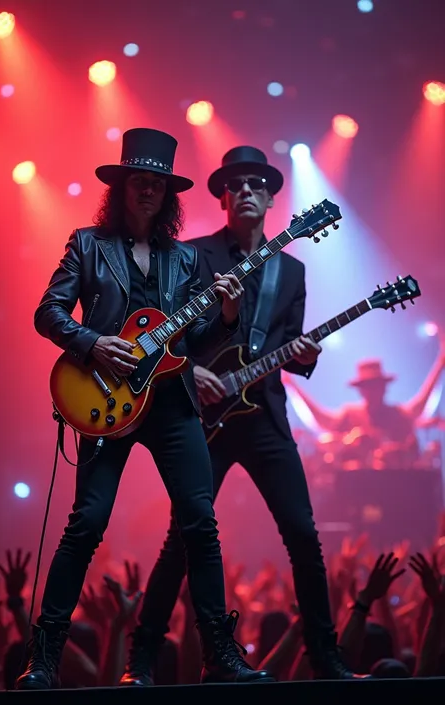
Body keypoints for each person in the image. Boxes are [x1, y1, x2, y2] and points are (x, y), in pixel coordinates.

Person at [16, 129, 273, 689]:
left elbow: (198, 333)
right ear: (122, 188)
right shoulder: (88, 244)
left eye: (158, 184)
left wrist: (227, 312)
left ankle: (219, 657)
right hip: (106, 395)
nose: (149, 191)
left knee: (200, 524)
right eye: (140, 182)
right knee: (86, 523)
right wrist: (89, 342)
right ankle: (44, 660)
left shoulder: (184, 260)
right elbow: (48, 312)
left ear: (168, 194)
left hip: (171, 405)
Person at [124, 146, 366, 683]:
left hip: (263, 420)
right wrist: (190, 373)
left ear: (273, 197)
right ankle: (141, 658)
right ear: (222, 197)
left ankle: (325, 657)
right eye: (235, 184)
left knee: (303, 535)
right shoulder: (190, 257)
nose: (247, 190)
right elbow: (163, 337)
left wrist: (306, 356)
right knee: (182, 539)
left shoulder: (291, 271)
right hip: (201, 420)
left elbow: (288, 347)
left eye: (257, 183)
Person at [285, 351, 445, 470]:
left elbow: (421, 405)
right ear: (361, 390)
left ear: (384, 387)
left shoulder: (397, 415)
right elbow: (320, 420)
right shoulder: (350, 415)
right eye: (368, 386)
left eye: (375, 385)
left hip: (396, 487)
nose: (372, 391)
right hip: (358, 488)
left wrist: (440, 364)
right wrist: (292, 386)